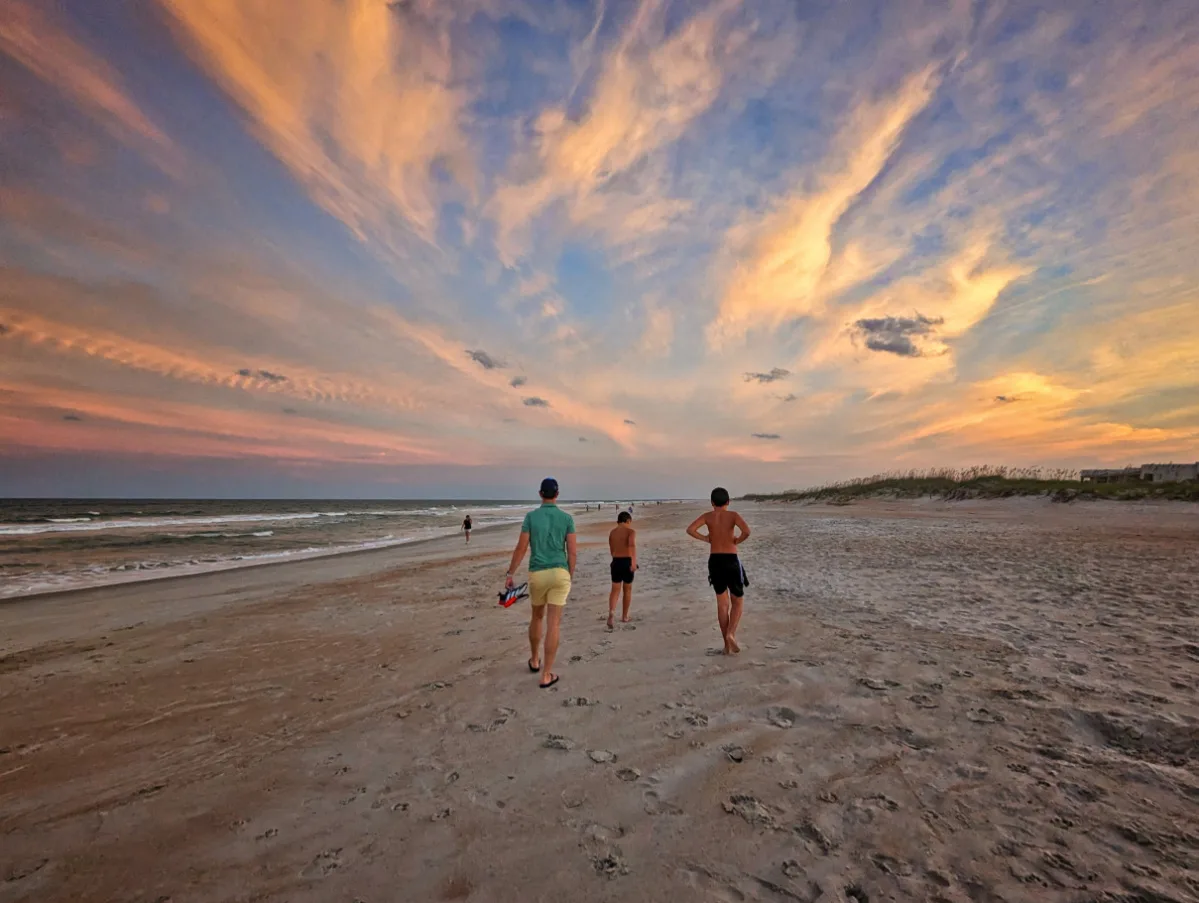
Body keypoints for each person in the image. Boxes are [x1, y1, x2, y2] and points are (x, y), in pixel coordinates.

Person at [504, 478, 576, 688]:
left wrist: (510, 573)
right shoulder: (566, 518)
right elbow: (572, 552)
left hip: (538, 573)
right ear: (557, 494)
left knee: (537, 617)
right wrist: (569, 574)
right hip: (560, 573)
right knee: (554, 623)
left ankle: (535, 660)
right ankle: (546, 675)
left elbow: (521, 548)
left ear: (540, 494)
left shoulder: (531, 517)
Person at [686, 487, 751, 654]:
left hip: (715, 560)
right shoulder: (733, 515)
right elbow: (747, 531)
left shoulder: (708, 516)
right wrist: (737, 540)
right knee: (738, 601)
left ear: (712, 502)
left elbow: (690, 529)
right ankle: (731, 634)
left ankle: (726, 646)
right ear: (728, 502)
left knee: (722, 604)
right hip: (731, 559)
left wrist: (707, 539)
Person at [607, 510, 637, 629]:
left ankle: (611, 612)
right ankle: (624, 616)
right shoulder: (631, 531)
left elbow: (611, 550)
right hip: (627, 561)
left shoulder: (612, 532)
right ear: (628, 521)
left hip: (615, 561)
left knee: (615, 590)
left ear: (617, 521)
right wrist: (633, 563)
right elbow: (631, 545)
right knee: (627, 589)